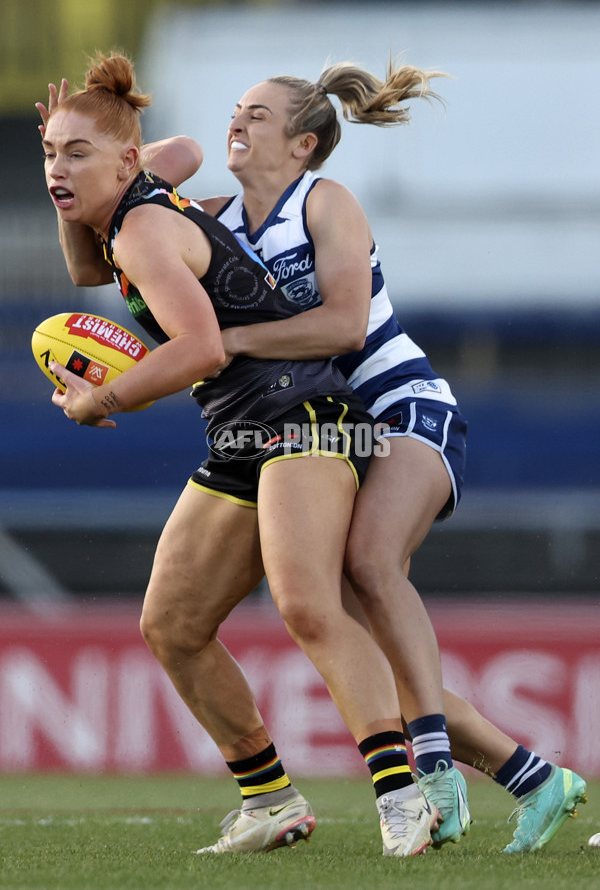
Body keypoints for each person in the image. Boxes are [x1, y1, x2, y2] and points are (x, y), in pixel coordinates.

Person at [160, 60, 588, 854]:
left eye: (257, 114)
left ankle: (430, 766)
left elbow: (346, 326)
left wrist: (226, 341)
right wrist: (82, 146)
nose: (237, 122)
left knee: (368, 564)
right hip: (327, 429)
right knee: (352, 639)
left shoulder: (324, 202)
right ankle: (534, 777)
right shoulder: (216, 217)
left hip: (402, 411)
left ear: (303, 144)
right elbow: (135, 198)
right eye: (234, 110)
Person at [38, 52, 441, 859]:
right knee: (172, 625)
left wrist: (102, 400)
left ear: (124, 160)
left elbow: (200, 350)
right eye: (48, 152)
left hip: (306, 414)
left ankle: (404, 798)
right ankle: (271, 799)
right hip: (243, 433)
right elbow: (94, 254)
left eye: (74, 153)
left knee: (304, 604)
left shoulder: (147, 229)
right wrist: (81, 164)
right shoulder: (132, 206)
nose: (56, 166)